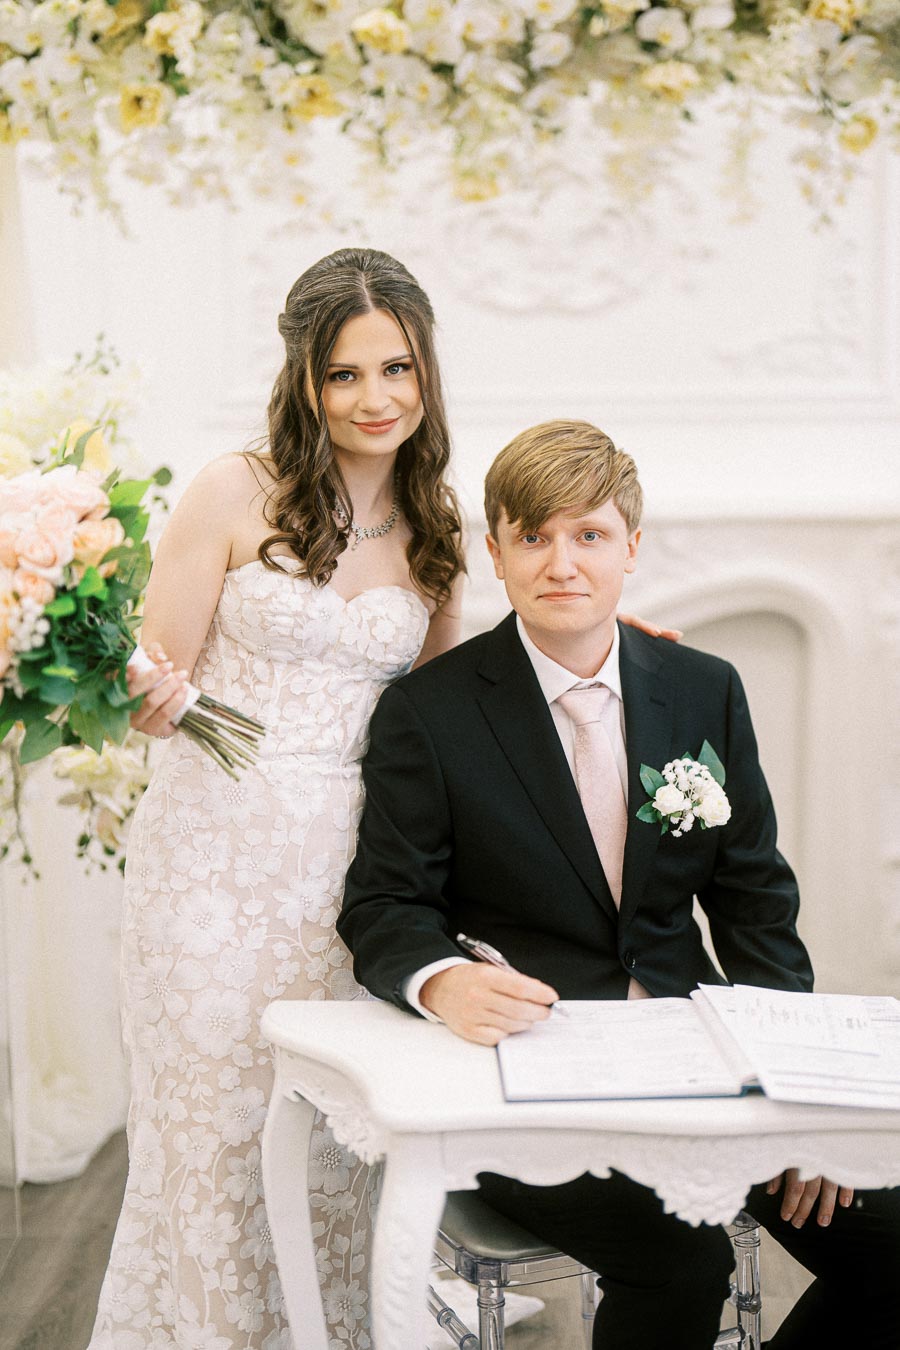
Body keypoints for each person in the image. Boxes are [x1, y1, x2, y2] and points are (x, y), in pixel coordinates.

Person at [89, 258, 672, 1350]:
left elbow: (455, 715)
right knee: (209, 1139)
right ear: (304, 379)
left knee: (338, 1142)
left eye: (396, 367)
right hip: (209, 870)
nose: (374, 398)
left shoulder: (439, 519)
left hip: (350, 879)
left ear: (425, 367)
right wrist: (149, 689)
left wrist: (623, 657)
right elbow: (145, 688)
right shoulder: (230, 488)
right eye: (344, 373)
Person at [338, 418, 900, 1350]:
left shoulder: (704, 687)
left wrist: (799, 1103)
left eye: (589, 535)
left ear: (631, 547)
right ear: (498, 552)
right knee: (683, 1265)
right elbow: (384, 905)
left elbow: (756, 901)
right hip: (532, 1080)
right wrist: (443, 980)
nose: (562, 562)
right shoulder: (428, 714)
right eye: (534, 536)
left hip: (702, 1065)